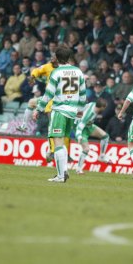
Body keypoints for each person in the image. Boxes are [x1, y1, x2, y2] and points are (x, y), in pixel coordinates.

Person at [33, 46, 86, 183]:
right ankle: (64, 172)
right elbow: (83, 94)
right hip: (73, 111)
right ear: (69, 57)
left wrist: (38, 109)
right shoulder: (78, 72)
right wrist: (80, 110)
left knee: (58, 142)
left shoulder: (56, 73)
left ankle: (61, 175)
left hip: (60, 110)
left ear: (56, 57)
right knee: (63, 141)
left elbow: (48, 94)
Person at [75, 98, 112, 174]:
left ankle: (102, 156)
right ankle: (78, 169)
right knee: (86, 149)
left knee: (105, 136)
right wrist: (79, 136)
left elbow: (82, 108)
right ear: (101, 107)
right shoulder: (89, 114)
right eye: (105, 107)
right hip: (82, 130)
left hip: (89, 126)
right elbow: (80, 126)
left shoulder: (93, 104)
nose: (105, 108)